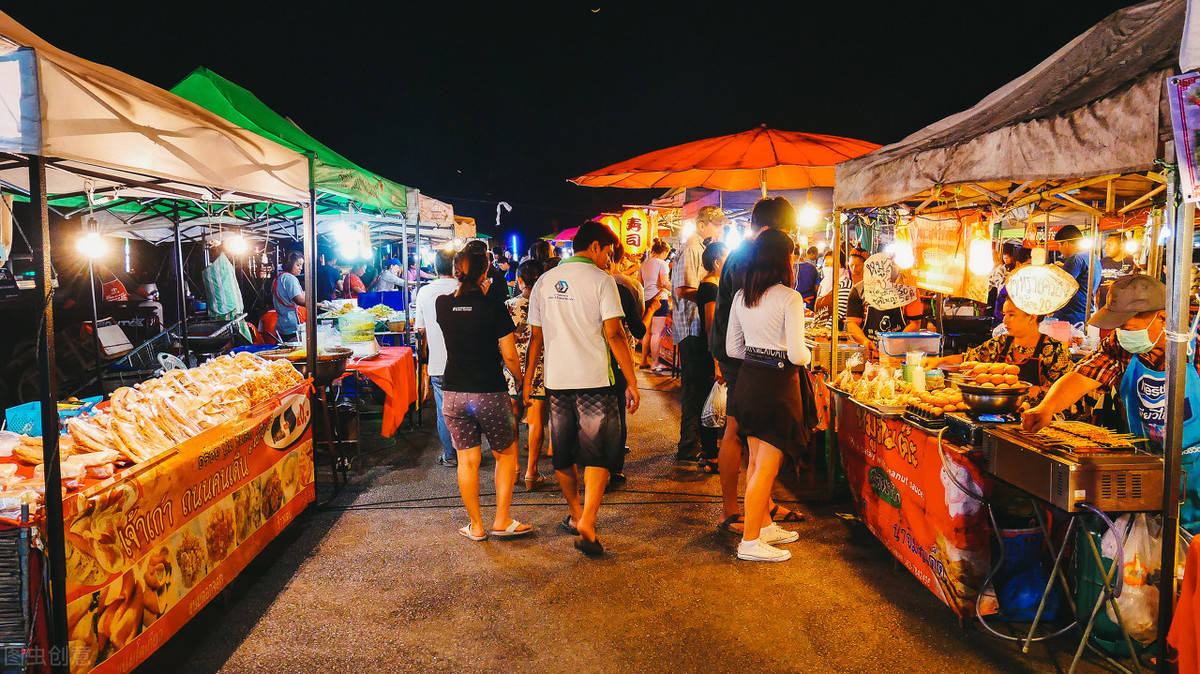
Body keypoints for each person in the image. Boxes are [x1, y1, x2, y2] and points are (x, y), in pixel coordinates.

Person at [1022, 274, 1200, 530]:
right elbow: (1084, 375)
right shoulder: (1122, 346)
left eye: (1127, 325)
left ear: (1163, 317)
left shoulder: (1195, 345)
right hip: (1147, 471)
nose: (1121, 332)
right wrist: (1046, 407)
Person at [524, 221, 640, 557]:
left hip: (557, 382)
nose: (609, 259)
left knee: (563, 453)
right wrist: (632, 381)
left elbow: (536, 339)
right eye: (608, 252)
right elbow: (614, 334)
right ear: (595, 247)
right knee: (597, 452)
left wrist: (528, 381)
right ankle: (588, 519)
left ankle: (576, 514)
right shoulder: (602, 281)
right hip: (595, 382)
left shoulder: (544, 281)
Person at [709, 197, 805, 535]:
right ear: (776, 226)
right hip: (746, 360)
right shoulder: (751, 257)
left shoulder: (744, 254)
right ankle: (735, 512)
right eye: (787, 229)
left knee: (753, 437)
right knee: (739, 432)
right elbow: (753, 313)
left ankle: (761, 510)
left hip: (738, 353)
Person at [436, 247, 533, 541]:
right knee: (506, 454)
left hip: (453, 392)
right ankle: (501, 520)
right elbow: (509, 354)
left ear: (455, 271)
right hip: (490, 391)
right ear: (485, 271)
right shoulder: (494, 307)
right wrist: (521, 381)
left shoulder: (443, 304)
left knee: (467, 460)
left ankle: (476, 525)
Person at [726, 228, 810, 562]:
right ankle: (749, 543)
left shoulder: (742, 296)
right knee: (765, 467)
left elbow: (733, 349)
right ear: (783, 259)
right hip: (777, 385)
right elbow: (798, 355)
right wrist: (806, 354)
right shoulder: (789, 297)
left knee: (756, 462)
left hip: (749, 380)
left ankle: (763, 526)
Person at [929, 298, 1071, 400]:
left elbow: (1067, 390)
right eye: (1004, 315)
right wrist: (938, 362)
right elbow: (966, 360)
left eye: (1011, 315)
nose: (1004, 320)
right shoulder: (1000, 343)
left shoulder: (1054, 350)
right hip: (999, 413)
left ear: (1032, 317)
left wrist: (1039, 391)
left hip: (1039, 420)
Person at [671, 205, 726, 462]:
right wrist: (710, 296)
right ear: (702, 224)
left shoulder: (699, 248)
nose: (720, 231)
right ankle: (688, 447)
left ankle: (693, 446)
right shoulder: (693, 248)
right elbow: (683, 289)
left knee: (698, 389)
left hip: (695, 327)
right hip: (691, 328)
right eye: (717, 226)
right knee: (694, 390)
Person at [504, 260, 549, 492]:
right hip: (539, 367)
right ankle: (532, 472)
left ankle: (513, 469)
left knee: (512, 419)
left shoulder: (509, 306)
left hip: (512, 368)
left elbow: (502, 340)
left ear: (520, 280)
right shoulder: (547, 305)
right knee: (535, 420)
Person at [413, 251, 461, 467]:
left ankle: (450, 455)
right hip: (465, 363)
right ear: (456, 266)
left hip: (438, 363)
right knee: (466, 410)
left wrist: (422, 359)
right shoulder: (464, 288)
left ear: (434, 268)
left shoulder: (424, 292)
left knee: (444, 412)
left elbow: (420, 330)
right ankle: (469, 453)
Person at [607, 241, 648, 487]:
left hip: (584, 361)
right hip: (616, 359)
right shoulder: (625, 288)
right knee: (617, 411)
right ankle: (615, 469)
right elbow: (637, 329)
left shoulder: (574, 287)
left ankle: (591, 463)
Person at [696, 241, 729, 473]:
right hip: (709, 351)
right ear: (717, 262)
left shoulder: (713, 285)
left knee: (711, 402)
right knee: (710, 403)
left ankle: (709, 453)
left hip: (711, 350)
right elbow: (710, 325)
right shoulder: (710, 287)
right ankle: (710, 455)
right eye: (726, 257)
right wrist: (716, 361)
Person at [844, 257, 923, 352]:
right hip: (868, 351)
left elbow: (915, 323)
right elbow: (852, 324)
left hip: (899, 351)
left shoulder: (909, 291)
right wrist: (864, 341)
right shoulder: (859, 290)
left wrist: (897, 341)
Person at [1052, 225, 1101, 325]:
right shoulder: (1093, 256)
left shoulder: (1075, 258)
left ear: (1066, 243)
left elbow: (1062, 287)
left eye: (1059, 245)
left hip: (1070, 317)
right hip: (1085, 313)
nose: (1059, 249)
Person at [640, 239, 672, 371]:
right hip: (659, 300)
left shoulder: (644, 264)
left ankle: (643, 361)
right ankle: (655, 363)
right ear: (664, 252)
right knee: (656, 333)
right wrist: (673, 288)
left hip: (646, 300)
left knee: (647, 333)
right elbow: (664, 283)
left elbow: (640, 283)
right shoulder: (662, 264)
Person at [272, 252, 306, 343]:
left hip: (283, 325)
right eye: (298, 265)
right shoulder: (290, 278)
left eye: (301, 265)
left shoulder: (279, 277)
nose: (301, 268)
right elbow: (299, 300)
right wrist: (319, 305)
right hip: (292, 326)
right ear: (290, 265)